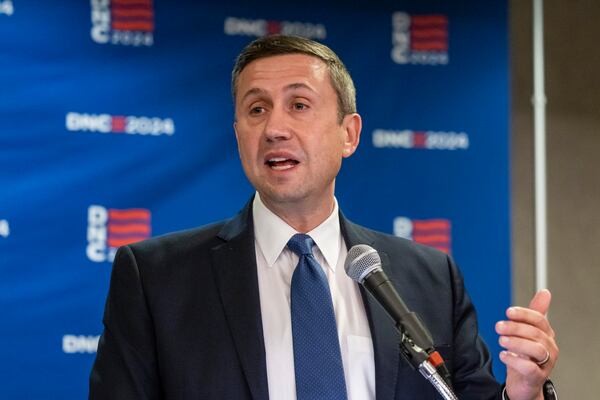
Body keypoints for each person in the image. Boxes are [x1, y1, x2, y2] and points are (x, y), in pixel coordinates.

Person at [89, 35, 558, 400]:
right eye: (256, 109)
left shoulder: (431, 278)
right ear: (238, 135)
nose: (274, 128)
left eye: (299, 105)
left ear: (348, 134)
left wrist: (523, 391)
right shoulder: (156, 278)